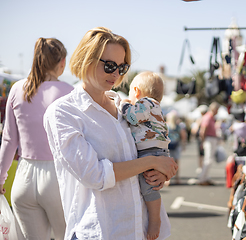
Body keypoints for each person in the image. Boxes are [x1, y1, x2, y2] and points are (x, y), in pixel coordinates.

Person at [43, 27, 178, 240]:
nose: (116, 74)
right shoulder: (63, 112)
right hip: (101, 229)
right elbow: (95, 175)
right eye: (109, 65)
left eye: (122, 67)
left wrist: (160, 171)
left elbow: (146, 148)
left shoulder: (123, 105)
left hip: (140, 228)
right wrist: (152, 162)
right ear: (86, 59)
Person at [0, 37, 73, 240]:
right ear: (62, 62)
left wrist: (0, 177)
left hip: (23, 178)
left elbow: (8, 140)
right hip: (58, 178)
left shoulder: (17, 89)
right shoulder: (69, 92)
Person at [120, 71, 170, 240]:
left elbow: (133, 117)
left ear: (136, 91)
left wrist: (124, 105)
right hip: (158, 149)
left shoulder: (146, 103)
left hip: (151, 150)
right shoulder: (155, 106)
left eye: (130, 95)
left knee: (148, 186)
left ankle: (155, 219)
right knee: (150, 183)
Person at [197, 101, 220, 186]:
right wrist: (203, 142)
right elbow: (203, 130)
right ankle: (202, 178)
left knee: (209, 159)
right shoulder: (208, 117)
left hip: (210, 139)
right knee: (208, 160)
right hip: (209, 139)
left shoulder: (211, 117)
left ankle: (205, 177)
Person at [166, 111, 187, 185]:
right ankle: (177, 178)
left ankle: (168, 180)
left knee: (168, 163)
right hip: (176, 145)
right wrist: (184, 145)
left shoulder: (166, 126)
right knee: (176, 163)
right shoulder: (178, 126)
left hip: (168, 146)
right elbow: (183, 135)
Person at [191, 105, 208, 173]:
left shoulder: (200, 119)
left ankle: (201, 167)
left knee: (202, 154)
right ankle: (202, 167)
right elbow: (195, 130)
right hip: (203, 138)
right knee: (203, 154)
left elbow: (194, 130)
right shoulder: (201, 119)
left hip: (202, 138)